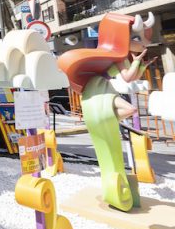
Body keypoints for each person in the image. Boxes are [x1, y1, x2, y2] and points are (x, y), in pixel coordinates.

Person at [57, 12, 156, 212]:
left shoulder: (123, 57)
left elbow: (131, 76)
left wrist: (141, 64)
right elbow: (128, 77)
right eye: (136, 39)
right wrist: (137, 61)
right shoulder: (119, 58)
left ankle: (118, 182)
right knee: (129, 109)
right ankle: (112, 119)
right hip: (98, 93)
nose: (142, 43)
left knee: (125, 117)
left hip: (103, 93)